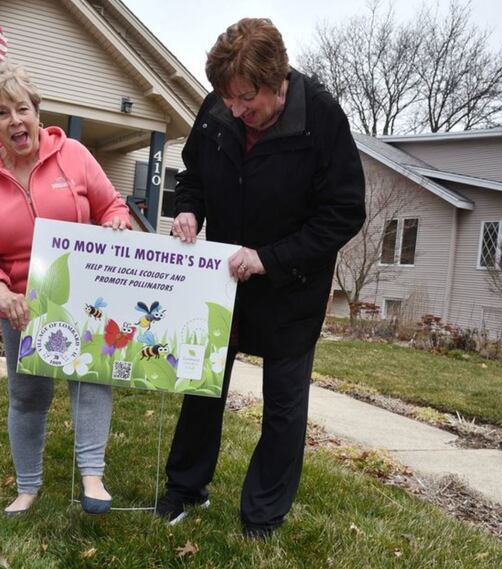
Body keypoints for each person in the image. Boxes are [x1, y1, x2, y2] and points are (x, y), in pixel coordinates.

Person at [156, 18, 366, 538]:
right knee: (202, 388)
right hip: (222, 284)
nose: (234, 110)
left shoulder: (321, 118)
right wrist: (188, 211)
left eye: (246, 99)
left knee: (284, 406)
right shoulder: (218, 107)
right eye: (227, 99)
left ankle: (262, 515)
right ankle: (186, 488)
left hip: (291, 287)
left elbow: (343, 213)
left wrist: (270, 258)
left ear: (279, 83)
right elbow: (194, 175)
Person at [0, 62, 131, 517]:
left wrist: (114, 223)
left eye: (22, 109)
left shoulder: (72, 154)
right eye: (2, 114)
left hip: (82, 294)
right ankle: (27, 487)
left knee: (90, 379)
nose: (15, 120)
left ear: (37, 112)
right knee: (29, 397)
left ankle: (93, 476)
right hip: (21, 303)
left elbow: (111, 204)